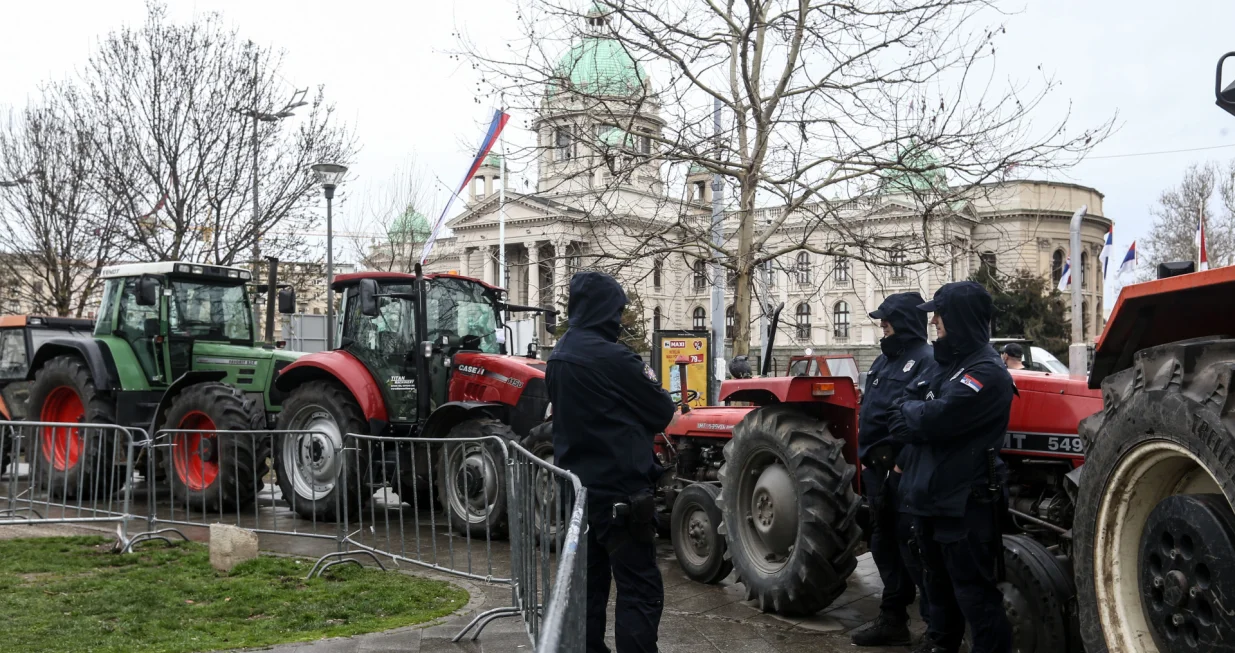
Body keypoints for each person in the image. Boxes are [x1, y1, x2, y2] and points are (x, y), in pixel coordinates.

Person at [546, 271, 677, 653]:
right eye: (618, 310)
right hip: (622, 492)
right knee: (639, 588)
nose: (620, 319)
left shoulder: (559, 355)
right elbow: (661, 409)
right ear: (606, 309)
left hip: (579, 493)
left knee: (588, 589)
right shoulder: (614, 357)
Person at [890, 281, 1014, 653]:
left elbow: (936, 418)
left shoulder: (987, 372)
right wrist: (920, 415)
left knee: (975, 598)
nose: (934, 322)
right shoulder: (947, 367)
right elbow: (899, 414)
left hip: (964, 507)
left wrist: (920, 416)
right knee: (938, 594)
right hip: (932, 502)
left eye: (940, 315)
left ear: (959, 317)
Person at [850, 292, 937, 647]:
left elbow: (924, 422)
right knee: (884, 546)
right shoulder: (884, 362)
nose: (882, 326)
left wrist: (902, 464)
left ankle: (937, 630)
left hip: (903, 472)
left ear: (903, 321)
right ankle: (892, 618)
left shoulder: (927, 361)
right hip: (877, 474)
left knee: (915, 550)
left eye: (887, 320)